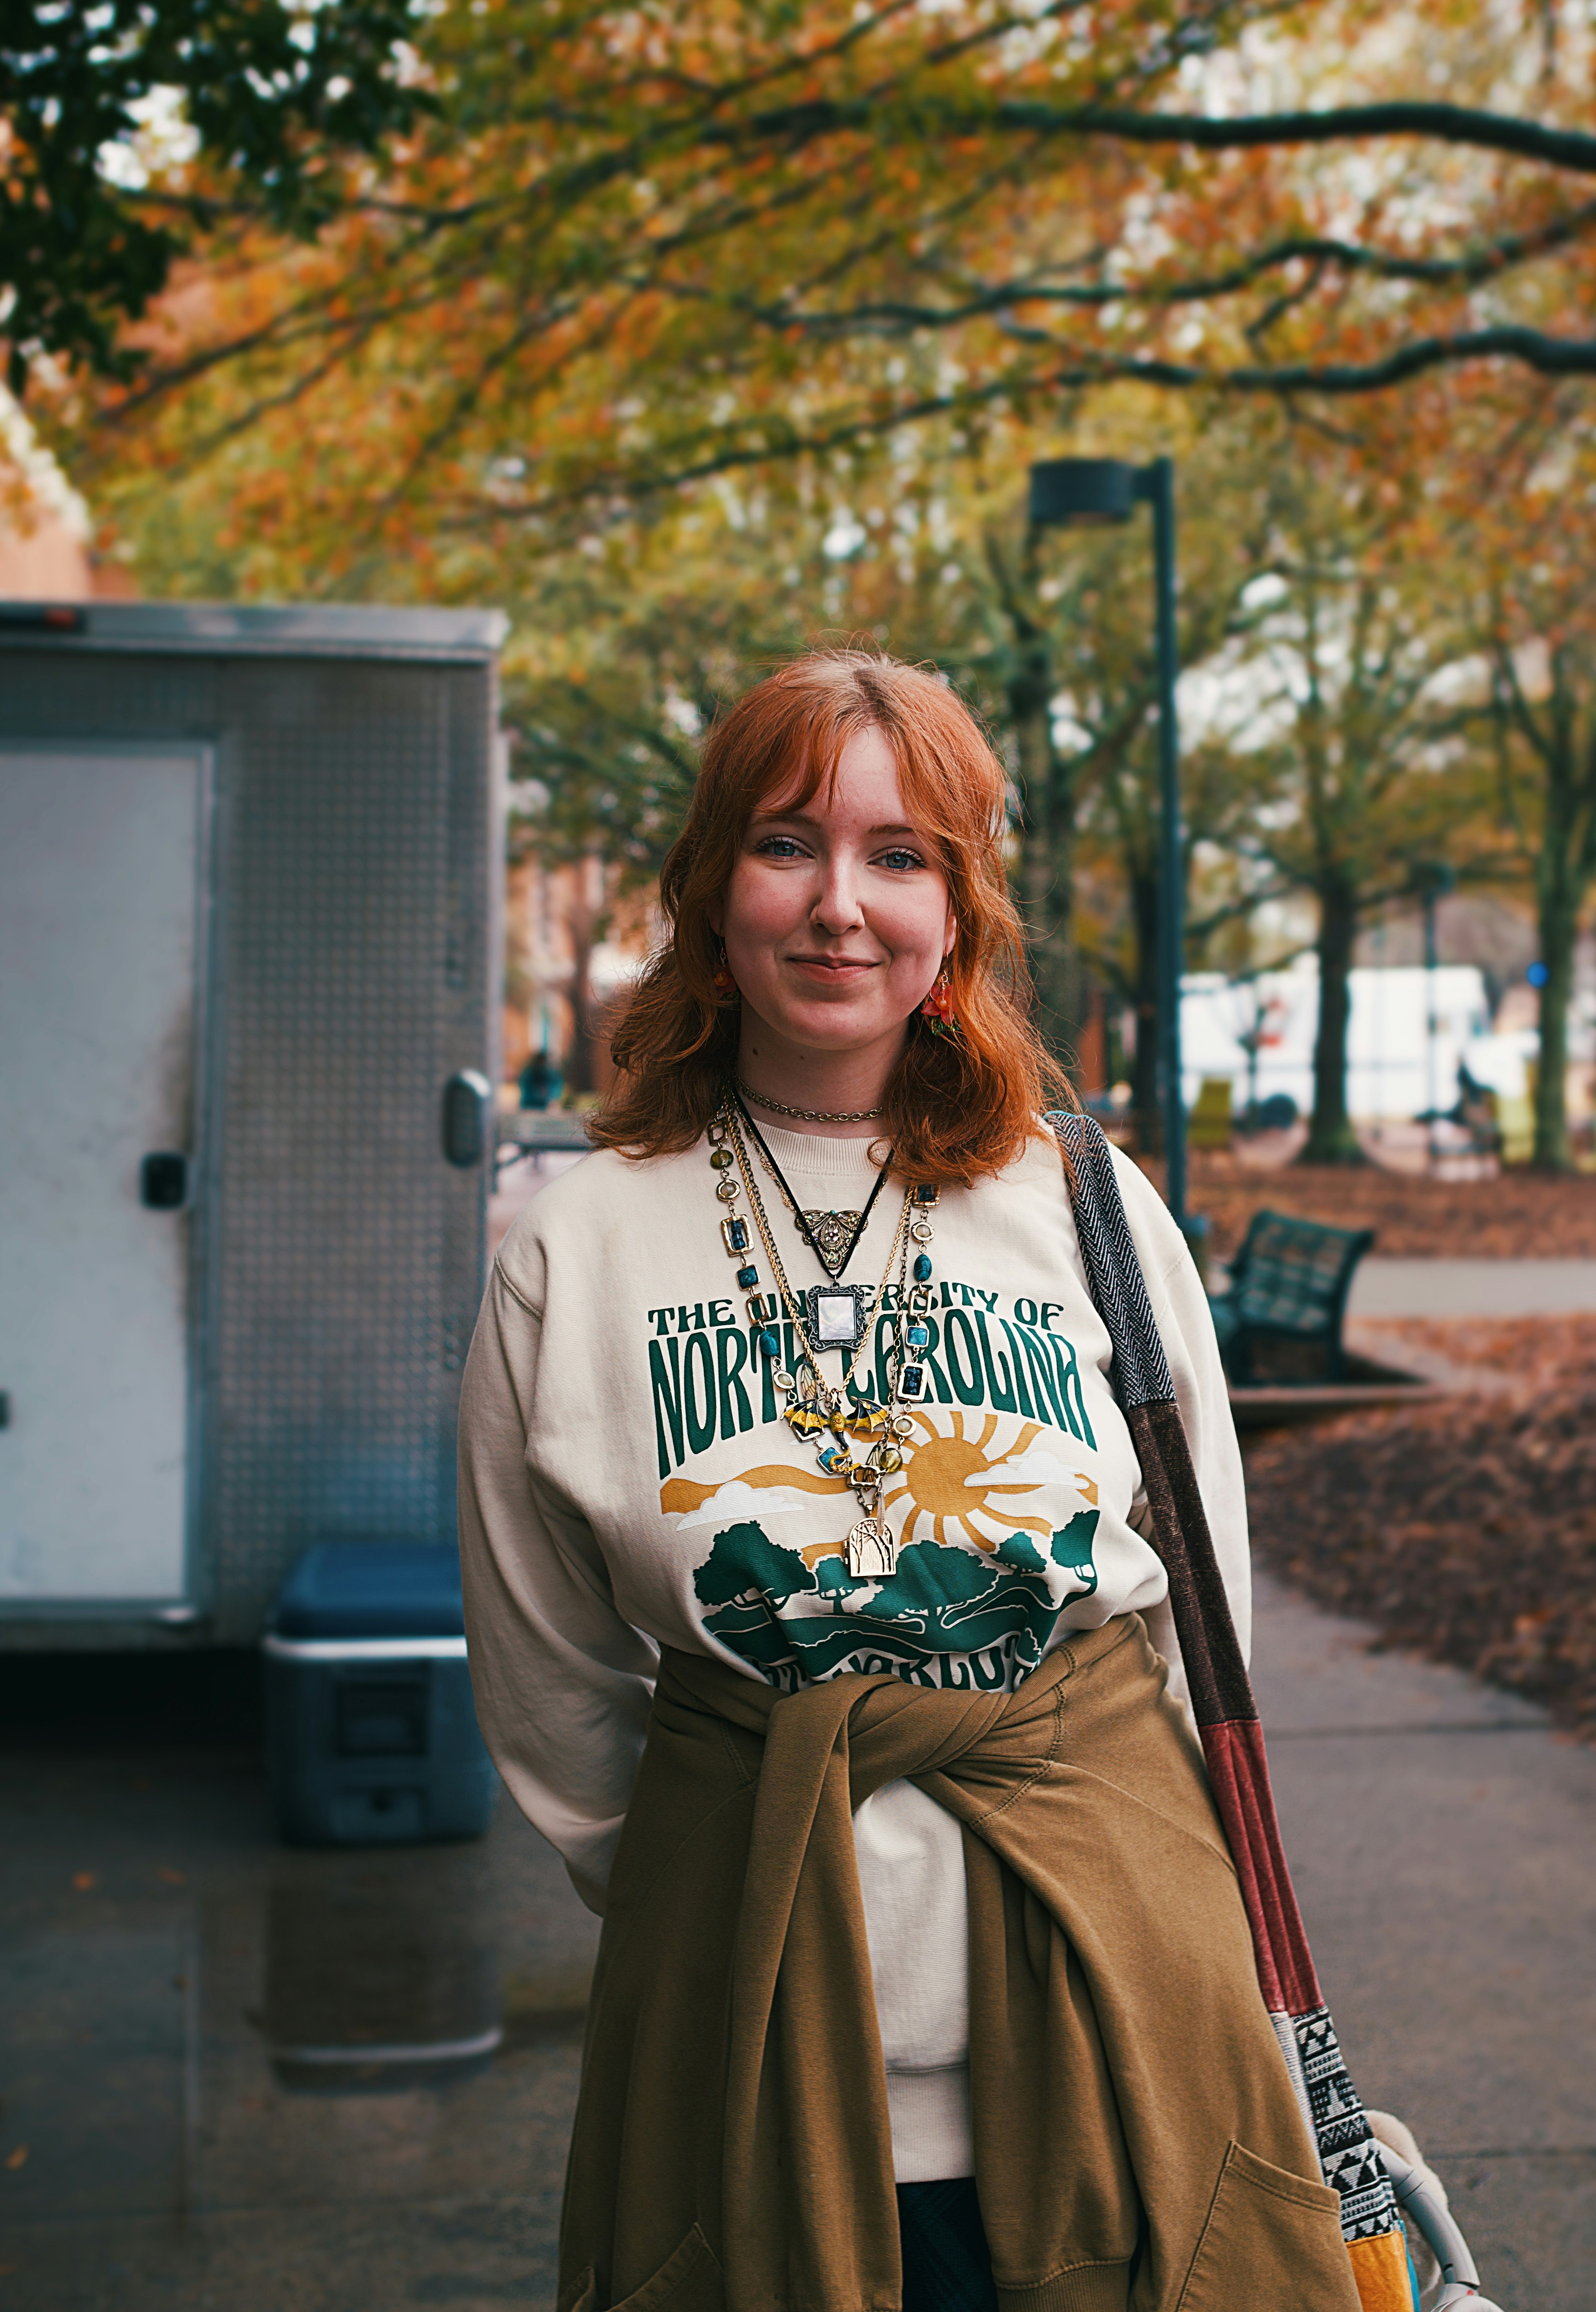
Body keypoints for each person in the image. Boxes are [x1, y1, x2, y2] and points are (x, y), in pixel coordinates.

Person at [457, 651, 1362, 2312]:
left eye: (900, 854)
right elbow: (554, 1698)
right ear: (710, 885)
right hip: (738, 2028)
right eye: (788, 842)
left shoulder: (1084, 1200)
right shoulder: (576, 1249)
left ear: (956, 911)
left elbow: (1204, 1609)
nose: (840, 907)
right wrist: (743, 1854)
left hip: (1122, 2020)